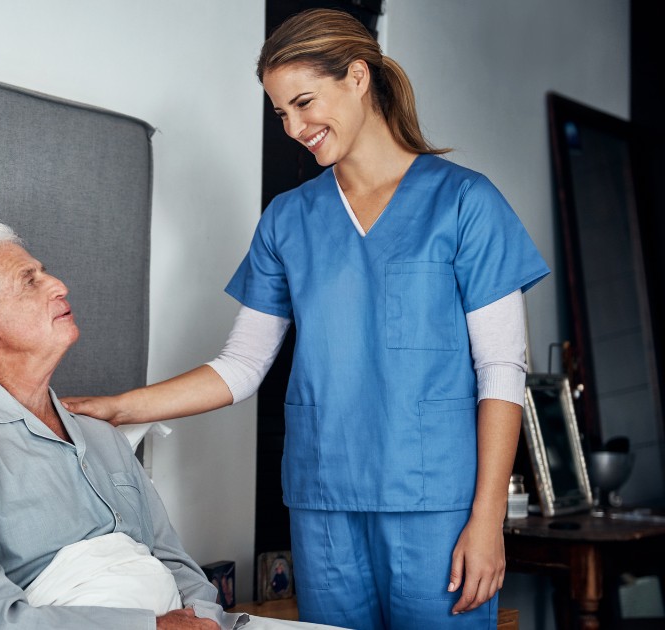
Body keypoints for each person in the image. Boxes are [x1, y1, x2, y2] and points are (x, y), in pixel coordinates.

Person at [62, 9, 549, 630]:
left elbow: (502, 370)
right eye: (280, 113)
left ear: (356, 77)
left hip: (438, 504)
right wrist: (121, 408)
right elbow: (240, 367)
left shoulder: (465, 202)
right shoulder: (287, 220)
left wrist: (488, 520)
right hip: (323, 505)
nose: (294, 128)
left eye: (303, 102)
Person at [0, 223, 240, 630]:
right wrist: (153, 627)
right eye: (30, 281)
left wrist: (207, 620)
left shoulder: (101, 435)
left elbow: (174, 561)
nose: (60, 285)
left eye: (45, 273)